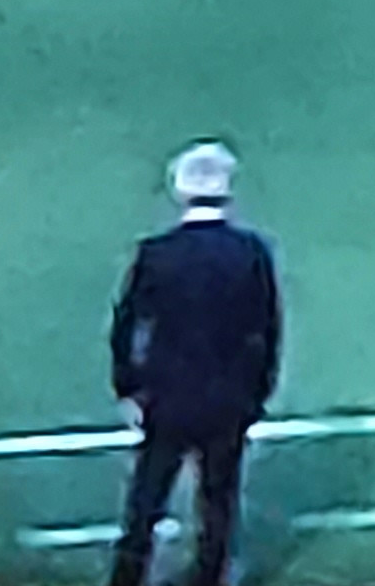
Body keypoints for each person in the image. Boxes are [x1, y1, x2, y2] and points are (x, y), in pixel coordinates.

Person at [106, 142, 282, 586]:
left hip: (167, 398)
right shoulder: (250, 253)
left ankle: (127, 577)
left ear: (179, 190)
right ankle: (209, 577)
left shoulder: (157, 254)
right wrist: (258, 393)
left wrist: (128, 388)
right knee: (218, 501)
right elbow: (267, 329)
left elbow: (126, 326)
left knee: (146, 500)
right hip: (228, 398)